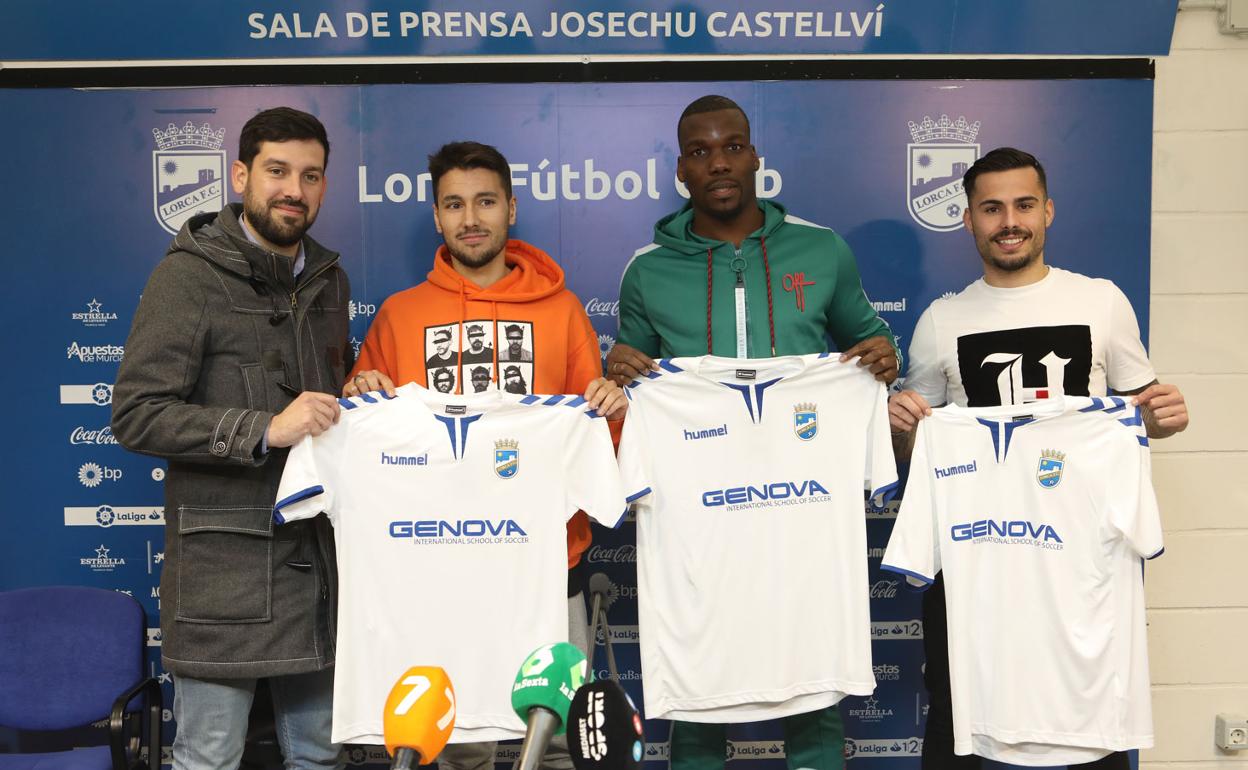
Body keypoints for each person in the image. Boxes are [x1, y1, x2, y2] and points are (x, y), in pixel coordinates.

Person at [606, 94, 899, 770]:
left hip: (801, 511)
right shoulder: (648, 269)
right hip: (701, 522)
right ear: (680, 168)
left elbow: (870, 343)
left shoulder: (821, 250)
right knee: (703, 682)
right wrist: (620, 368)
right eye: (701, 151)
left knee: (814, 673)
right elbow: (635, 375)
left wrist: (885, 358)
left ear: (756, 157)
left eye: (731, 146)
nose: (718, 162)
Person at [886, 147, 1189, 770]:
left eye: (1023, 205)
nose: (1009, 221)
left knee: (1086, 729)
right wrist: (905, 428)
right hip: (977, 567)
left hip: (1077, 567)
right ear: (968, 219)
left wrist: (1160, 421)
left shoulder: (1102, 302)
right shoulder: (943, 319)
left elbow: (1138, 419)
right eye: (991, 208)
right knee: (957, 723)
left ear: (1047, 211)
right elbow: (919, 456)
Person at [346, 140, 626, 770]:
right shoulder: (398, 315)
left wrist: (611, 408)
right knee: (454, 742)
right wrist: (361, 393)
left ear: (511, 208)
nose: (470, 217)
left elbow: (600, 444)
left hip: (551, 566)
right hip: (440, 564)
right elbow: (364, 442)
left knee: (556, 743)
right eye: (454, 204)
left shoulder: (562, 311)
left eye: (485, 201)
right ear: (437, 215)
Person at [111, 107, 348, 770]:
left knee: (321, 760)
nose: (292, 189)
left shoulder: (330, 280)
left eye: (310, 175)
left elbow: (319, 408)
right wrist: (263, 428)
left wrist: (357, 387)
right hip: (223, 584)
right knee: (208, 759)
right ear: (242, 175)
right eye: (276, 171)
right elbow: (135, 413)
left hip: (316, 577)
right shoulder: (186, 276)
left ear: (325, 186)